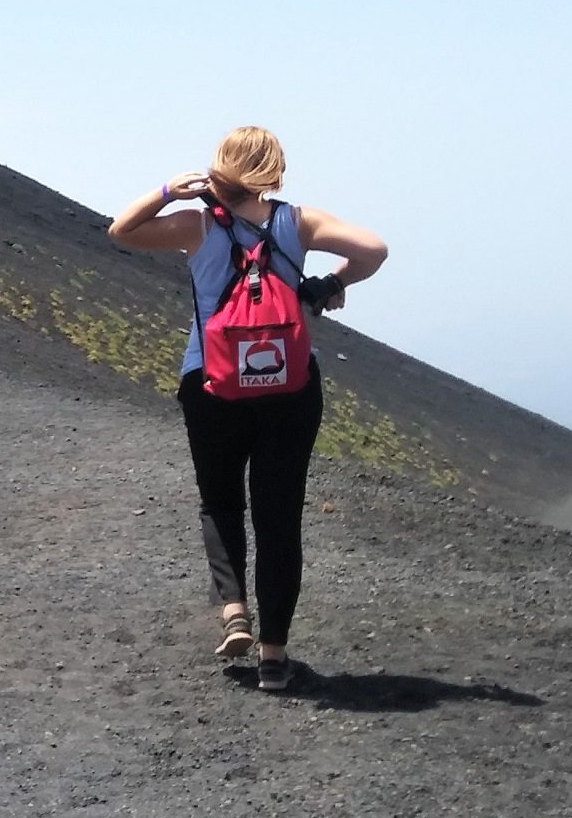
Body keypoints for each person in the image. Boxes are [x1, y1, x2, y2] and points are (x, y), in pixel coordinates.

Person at [108, 125, 387, 694]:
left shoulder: (196, 224)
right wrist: (321, 286)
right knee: (279, 518)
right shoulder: (297, 221)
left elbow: (122, 231)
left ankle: (233, 608)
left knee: (220, 501)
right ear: (273, 169)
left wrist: (168, 190)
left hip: (211, 383)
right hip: (289, 388)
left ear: (219, 168)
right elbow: (373, 249)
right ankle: (275, 658)